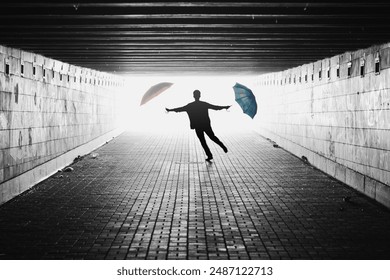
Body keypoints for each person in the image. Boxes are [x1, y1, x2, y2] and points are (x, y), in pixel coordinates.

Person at [166, 89, 231, 162]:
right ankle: (222, 146)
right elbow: (215, 107)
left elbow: (180, 109)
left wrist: (170, 110)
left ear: (193, 96)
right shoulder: (204, 104)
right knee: (212, 137)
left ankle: (209, 155)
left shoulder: (190, 105)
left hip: (197, 126)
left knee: (203, 142)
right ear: (200, 95)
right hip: (206, 124)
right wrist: (225, 107)